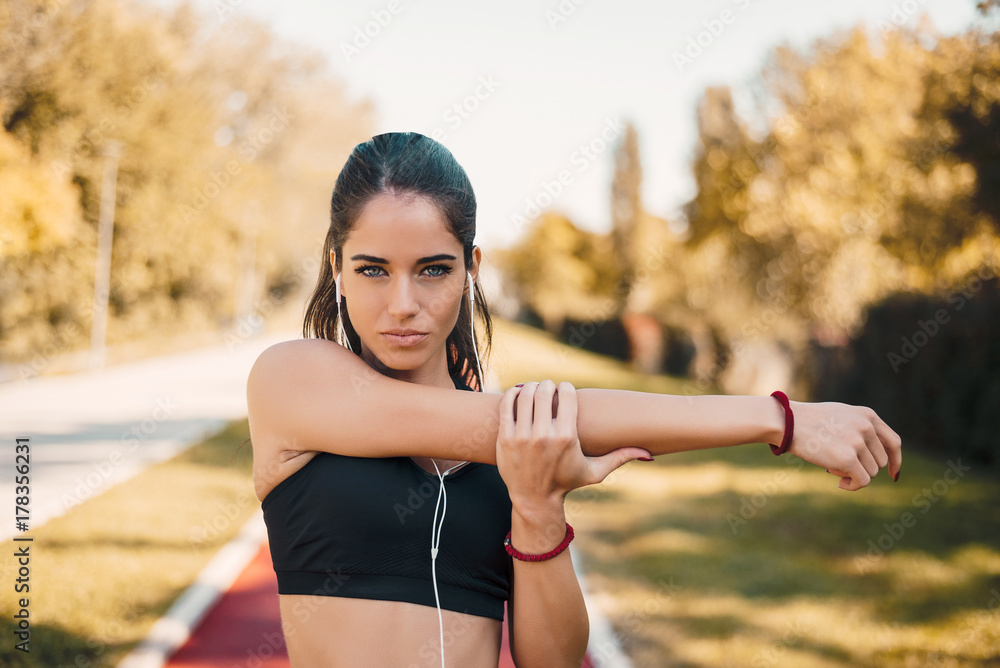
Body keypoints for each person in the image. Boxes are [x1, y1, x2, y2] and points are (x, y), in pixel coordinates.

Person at [246, 131, 902, 668]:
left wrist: (537, 507)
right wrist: (780, 419)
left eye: (433, 269)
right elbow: (535, 418)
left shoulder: (524, 448)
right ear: (335, 266)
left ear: (472, 270)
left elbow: (553, 662)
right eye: (372, 270)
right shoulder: (292, 379)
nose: (403, 305)